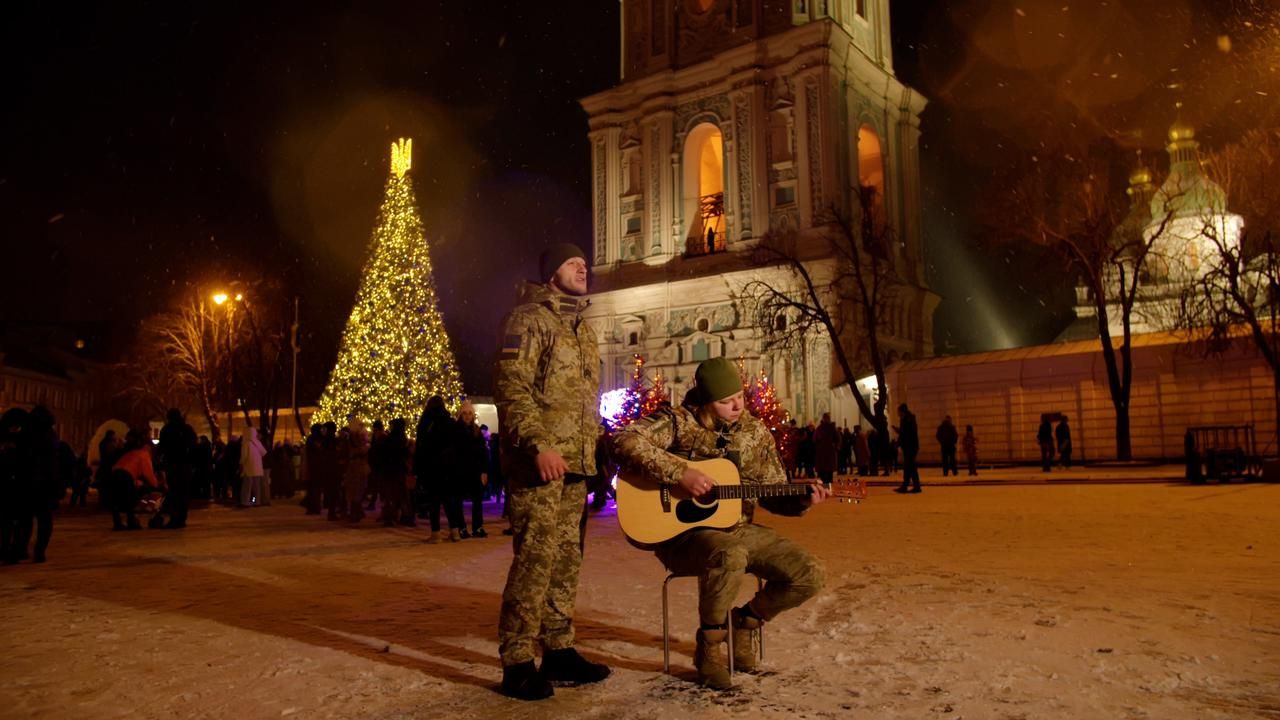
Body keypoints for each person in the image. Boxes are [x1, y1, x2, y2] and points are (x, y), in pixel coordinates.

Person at [611, 357, 829, 690]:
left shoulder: (754, 433)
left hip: (738, 528)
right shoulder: (678, 423)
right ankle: (709, 646)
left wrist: (800, 499)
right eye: (726, 400)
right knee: (730, 555)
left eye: (739, 396)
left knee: (809, 572)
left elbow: (770, 490)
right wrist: (680, 473)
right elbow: (624, 440)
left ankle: (743, 624)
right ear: (707, 401)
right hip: (683, 536)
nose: (737, 405)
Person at [494, 242, 609, 700]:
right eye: (571, 262)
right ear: (550, 273)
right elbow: (512, 387)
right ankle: (517, 659)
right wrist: (538, 444)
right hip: (538, 467)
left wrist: (596, 448)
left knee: (566, 562)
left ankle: (558, 650)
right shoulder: (528, 320)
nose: (583, 267)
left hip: (576, 467)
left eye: (585, 262)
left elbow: (586, 402)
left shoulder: (584, 328)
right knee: (535, 563)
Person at [415, 395, 462, 541]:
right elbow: (456, 445)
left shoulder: (426, 422)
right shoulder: (449, 422)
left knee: (434, 500)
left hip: (432, 466)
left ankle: (435, 532)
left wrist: (418, 468)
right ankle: (454, 531)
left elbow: (421, 447)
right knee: (449, 500)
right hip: (448, 467)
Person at [156, 408, 197, 529]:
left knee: (174, 492)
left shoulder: (167, 430)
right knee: (184, 493)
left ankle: (174, 518)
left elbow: (162, 447)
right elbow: (194, 446)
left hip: (173, 465)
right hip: (186, 465)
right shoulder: (187, 429)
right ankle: (182, 518)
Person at [456, 401, 489, 538]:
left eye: (470, 413)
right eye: (465, 413)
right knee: (458, 499)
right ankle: (461, 527)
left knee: (477, 499)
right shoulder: (456, 430)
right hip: (460, 470)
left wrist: (484, 471)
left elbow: (483, 452)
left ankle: (477, 526)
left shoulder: (476, 431)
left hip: (475, 470)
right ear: (460, 415)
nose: (468, 416)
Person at [111, 431, 157, 531]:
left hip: (115, 472)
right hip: (125, 475)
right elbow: (148, 473)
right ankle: (131, 521)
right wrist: (156, 485)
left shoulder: (133, 453)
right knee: (129, 498)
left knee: (116, 498)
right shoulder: (144, 455)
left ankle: (117, 522)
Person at [376, 418, 412, 526]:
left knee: (391, 495)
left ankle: (391, 517)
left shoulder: (390, 439)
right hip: (399, 469)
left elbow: (384, 454)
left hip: (391, 470)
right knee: (402, 494)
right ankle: (405, 516)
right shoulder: (402, 439)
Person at [341, 417, 370, 522]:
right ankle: (356, 512)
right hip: (357, 467)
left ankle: (356, 512)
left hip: (356, 467)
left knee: (356, 491)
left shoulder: (355, 439)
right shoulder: (356, 439)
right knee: (356, 491)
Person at [893, 404, 921, 493]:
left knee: (910, 466)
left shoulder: (907, 419)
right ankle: (909, 485)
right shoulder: (907, 419)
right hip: (910, 446)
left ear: (902, 411)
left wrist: (899, 434)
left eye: (898, 411)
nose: (897, 413)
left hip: (910, 446)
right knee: (909, 467)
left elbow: (906, 434)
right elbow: (904, 433)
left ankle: (911, 486)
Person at [239, 425, 267, 507]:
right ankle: (256, 501)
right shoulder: (257, 442)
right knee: (256, 487)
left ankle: (245, 502)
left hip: (249, 468)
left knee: (247, 486)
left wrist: (241, 463)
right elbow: (264, 453)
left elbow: (244, 456)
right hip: (258, 468)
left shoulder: (246, 443)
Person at [813, 413, 838, 488]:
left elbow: (814, 439)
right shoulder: (828, 428)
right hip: (826, 452)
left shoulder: (821, 428)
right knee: (826, 471)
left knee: (826, 471)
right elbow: (837, 438)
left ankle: (826, 485)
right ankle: (827, 485)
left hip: (825, 452)